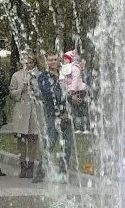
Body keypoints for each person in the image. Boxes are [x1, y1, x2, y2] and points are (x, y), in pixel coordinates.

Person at [37, 51, 74, 180]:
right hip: (53, 114)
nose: (53, 62)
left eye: (55, 59)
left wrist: (73, 96)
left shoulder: (64, 75)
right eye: (50, 60)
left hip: (66, 114)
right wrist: (65, 95)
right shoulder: (43, 77)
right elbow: (48, 92)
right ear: (46, 62)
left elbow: (72, 87)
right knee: (51, 142)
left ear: (59, 61)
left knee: (67, 145)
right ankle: (41, 171)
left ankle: (63, 172)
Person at [6, 53, 43, 178]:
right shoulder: (16, 75)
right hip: (21, 110)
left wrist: (34, 86)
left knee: (33, 138)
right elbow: (11, 93)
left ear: (35, 63)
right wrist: (21, 89)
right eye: (26, 63)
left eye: (31, 63)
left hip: (35, 111)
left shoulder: (40, 75)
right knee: (21, 139)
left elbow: (44, 93)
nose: (28, 65)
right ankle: (23, 165)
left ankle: (31, 166)